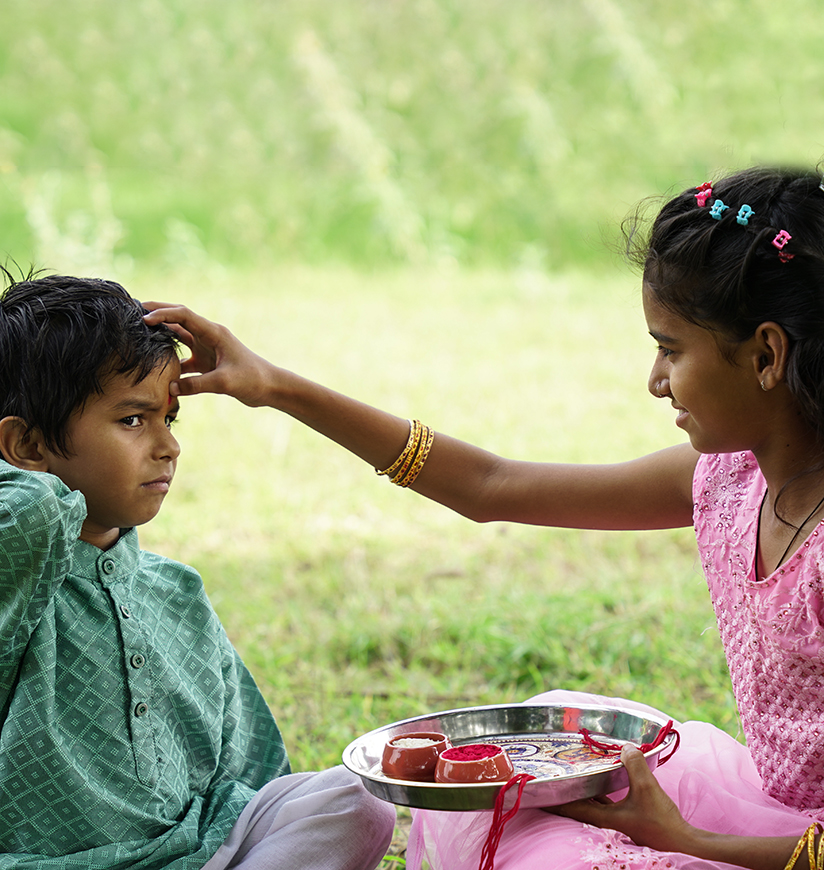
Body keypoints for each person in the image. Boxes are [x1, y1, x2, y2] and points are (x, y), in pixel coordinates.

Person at [144, 165, 824, 869]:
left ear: (767, 354)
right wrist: (279, 388)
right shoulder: (729, 479)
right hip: (765, 808)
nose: (655, 381)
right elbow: (491, 486)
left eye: (670, 349)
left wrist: (688, 842)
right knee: (506, 792)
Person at [0, 273, 396, 870]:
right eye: (132, 420)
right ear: (26, 447)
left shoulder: (176, 590)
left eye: (170, 419)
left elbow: (255, 775)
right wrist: (40, 487)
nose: (168, 447)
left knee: (354, 799)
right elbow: (28, 511)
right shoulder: (15, 566)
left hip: (204, 852)